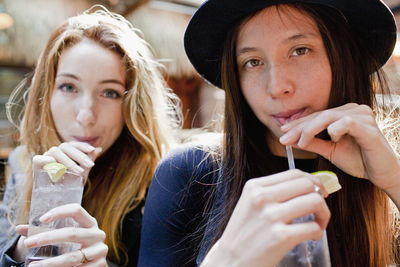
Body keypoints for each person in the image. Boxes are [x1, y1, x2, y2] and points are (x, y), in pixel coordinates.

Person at [138, 0, 400, 266]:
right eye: (253, 62)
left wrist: (393, 179)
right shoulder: (189, 175)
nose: (276, 87)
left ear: (343, 58)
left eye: (300, 50)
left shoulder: (384, 173)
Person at [0, 5, 180, 267]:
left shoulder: (163, 183)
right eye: (69, 87)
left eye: (109, 93)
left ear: (133, 106)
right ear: (46, 94)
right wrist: (23, 248)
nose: (86, 115)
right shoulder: (25, 162)